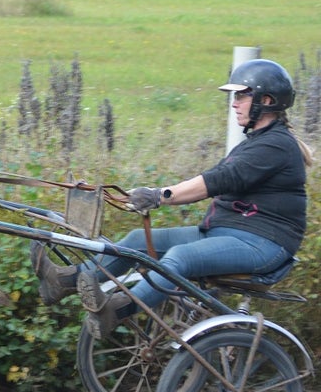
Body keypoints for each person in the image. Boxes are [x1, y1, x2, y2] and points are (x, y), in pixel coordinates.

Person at [31, 58, 313, 339]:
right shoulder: (259, 142)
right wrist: (147, 194)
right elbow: (219, 178)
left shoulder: (276, 146)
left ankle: (118, 310)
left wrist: (159, 196)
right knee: (136, 241)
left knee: (181, 256)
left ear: (266, 100)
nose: (234, 103)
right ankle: (64, 281)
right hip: (226, 232)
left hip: (262, 245)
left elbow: (218, 180)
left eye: (241, 96)